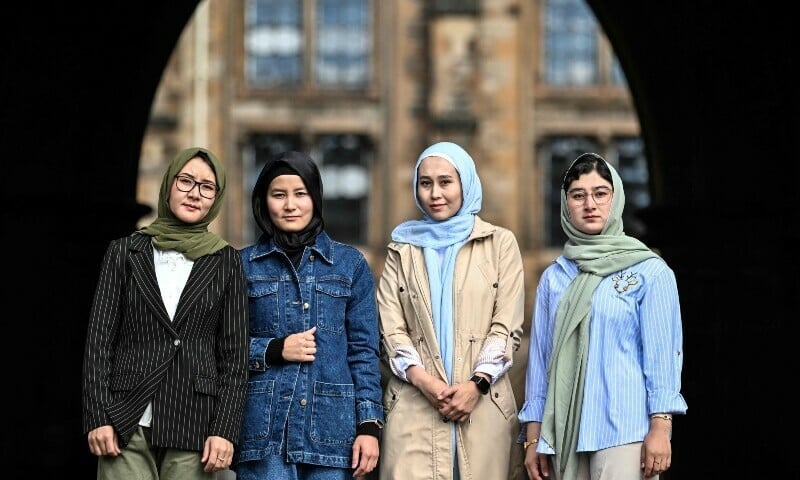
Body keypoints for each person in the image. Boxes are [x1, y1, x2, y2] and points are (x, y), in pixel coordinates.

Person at [82, 147, 249, 479]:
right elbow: (99, 343)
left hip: (195, 423)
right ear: (168, 185)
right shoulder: (125, 251)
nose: (194, 194)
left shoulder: (226, 261)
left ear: (216, 198)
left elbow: (235, 356)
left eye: (207, 187)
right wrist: (98, 416)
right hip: (124, 418)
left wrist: (225, 429)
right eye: (185, 181)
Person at [518, 152, 688, 480]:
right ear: (566, 203)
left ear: (616, 197)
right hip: (564, 433)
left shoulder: (649, 271)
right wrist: (533, 436)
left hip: (626, 431)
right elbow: (540, 363)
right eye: (578, 195)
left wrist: (661, 427)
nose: (589, 204)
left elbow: (662, 357)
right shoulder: (555, 277)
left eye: (600, 193)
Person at [376, 141, 525, 479]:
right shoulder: (401, 249)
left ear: (465, 184)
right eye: (425, 183)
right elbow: (390, 329)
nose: (435, 193)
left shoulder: (500, 243)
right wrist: (425, 382)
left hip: (484, 404)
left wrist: (477, 384)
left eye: (446, 182)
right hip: (415, 403)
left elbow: (506, 327)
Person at [232, 150, 384, 480]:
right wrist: (273, 350)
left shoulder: (351, 265)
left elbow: (364, 352)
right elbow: (221, 348)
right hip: (264, 436)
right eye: (278, 195)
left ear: (315, 198)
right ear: (263, 201)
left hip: (332, 434)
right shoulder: (240, 265)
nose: (290, 205)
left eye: (300, 194)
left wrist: (369, 426)